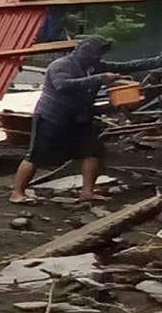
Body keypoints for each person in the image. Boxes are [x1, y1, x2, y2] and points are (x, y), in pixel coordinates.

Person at [12, 35, 162, 204]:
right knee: (35, 156)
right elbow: (63, 85)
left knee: (93, 151)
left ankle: (87, 192)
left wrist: (157, 61)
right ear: (85, 53)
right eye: (96, 54)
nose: (99, 58)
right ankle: (17, 193)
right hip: (52, 117)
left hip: (80, 117)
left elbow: (129, 66)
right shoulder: (60, 65)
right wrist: (101, 78)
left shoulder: (95, 66)